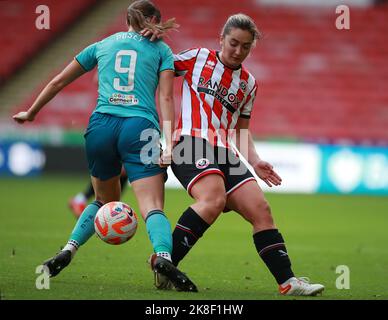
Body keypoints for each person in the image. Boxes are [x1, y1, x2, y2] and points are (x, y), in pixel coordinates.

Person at [13, 0, 197, 292]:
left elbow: (59, 81)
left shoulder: (101, 44)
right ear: (153, 22)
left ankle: (69, 249)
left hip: (100, 126)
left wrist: (31, 112)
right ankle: (163, 257)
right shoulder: (162, 51)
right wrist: (168, 141)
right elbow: (166, 99)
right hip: (139, 127)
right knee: (152, 207)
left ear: (127, 20)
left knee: (101, 201)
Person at [146, 13, 325, 296]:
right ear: (221, 39)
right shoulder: (196, 57)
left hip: (226, 152)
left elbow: (242, 129)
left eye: (245, 46)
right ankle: (166, 264)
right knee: (213, 198)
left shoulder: (249, 84)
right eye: (233, 43)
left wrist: (255, 161)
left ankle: (288, 282)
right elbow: (159, 64)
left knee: (261, 210)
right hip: (190, 142)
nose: (238, 51)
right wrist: (149, 40)